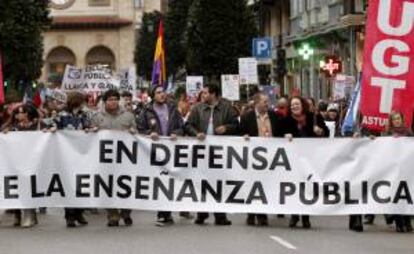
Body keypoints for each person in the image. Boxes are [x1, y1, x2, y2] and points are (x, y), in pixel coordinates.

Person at [185, 84, 239, 226]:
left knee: (219, 183)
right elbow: (188, 125)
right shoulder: (197, 108)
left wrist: (226, 128)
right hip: (202, 151)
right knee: (202, 183)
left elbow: (236, 125)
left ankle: (220, 215)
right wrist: (197, 133)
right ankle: (202, 213)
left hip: (220, 152)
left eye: (206, 93)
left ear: (214, 94)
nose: (203, 95)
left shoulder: (227, 108)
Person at [137, 85, 184, 227]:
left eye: (163, 92)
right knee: (159, 182)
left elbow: (181, 125)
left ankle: (167, 213)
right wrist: (149, 134)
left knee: (170, 181)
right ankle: (162, 214)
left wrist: (177, 133)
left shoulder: (172, 109)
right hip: (154, 151)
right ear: (152, 95)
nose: (162, 94)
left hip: (171, 150)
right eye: (158, 92)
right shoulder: (146, 111)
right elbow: (141, 128)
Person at [91, 89, 137, 227]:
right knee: (107, 186)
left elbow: (137, 135)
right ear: (105, 102)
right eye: (110, 99)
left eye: (115, 99)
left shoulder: (128, 116)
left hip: (124, 158)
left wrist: (133, 131)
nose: (113, 102)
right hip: (105, 159)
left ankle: (126, 212)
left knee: (126, 186)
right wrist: (92, 131)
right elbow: (90, 136)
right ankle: (113, 215)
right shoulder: (97, 117)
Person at [282, 96, 329, 229]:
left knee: (308, 187)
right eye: (292, 105)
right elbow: (278, 134)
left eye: (296, 104)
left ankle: (306, 216)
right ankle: (295, 215)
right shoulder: (286, 120)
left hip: (310, 159)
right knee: (295, 187)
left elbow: (326, 132)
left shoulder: (314, 118)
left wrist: (320, 131)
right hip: (293, 160)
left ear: (302, 105)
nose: (294, 107)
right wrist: (285, 136)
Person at [240, 92, 283, 226]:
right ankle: (252, 213)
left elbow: (280, 134)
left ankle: (262, 213)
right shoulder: (247, 117)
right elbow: (240, 132)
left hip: (271, 158)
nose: (267, 103)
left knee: (266, 186)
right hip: (254, 158)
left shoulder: (275, 117)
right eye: (264, 101)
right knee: (253, 187)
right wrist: (244, 137)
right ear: (257, 103)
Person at [52, 91, 90, 227]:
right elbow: (54, 126)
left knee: (81, 184)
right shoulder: (62, 115)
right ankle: (69, 215)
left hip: (80, 154)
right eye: (82, 101)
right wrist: (52, 129)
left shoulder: (83, 114)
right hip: (66, 155)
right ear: (76, 101)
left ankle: (79, 212)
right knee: (68, 184)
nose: (83, 104)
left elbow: (87, 127)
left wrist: (89, 130)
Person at [3, 104, 40, 228]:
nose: (19, 115)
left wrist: (49, 131)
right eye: (17, 113)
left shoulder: (36, 126)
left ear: (28, 113)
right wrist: (4, 134)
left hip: (32, 162)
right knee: (15, 188)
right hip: (15, 162)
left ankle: (29, 214)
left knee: (29, 187)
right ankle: (17, 214)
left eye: (22, 112)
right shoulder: (12, 128)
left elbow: (51, 129)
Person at [382, 111, 413, 233]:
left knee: (406, 195)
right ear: (391, 121)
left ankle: (407, 221)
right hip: (393, 169)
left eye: (398, 118)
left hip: (406, 168)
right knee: (396, 195)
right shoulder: (388, 133)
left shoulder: (408, 131)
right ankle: (399, 222)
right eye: (394, 119)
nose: (397, 121)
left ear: (402, 119)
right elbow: (381, 147)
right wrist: (387, 138)